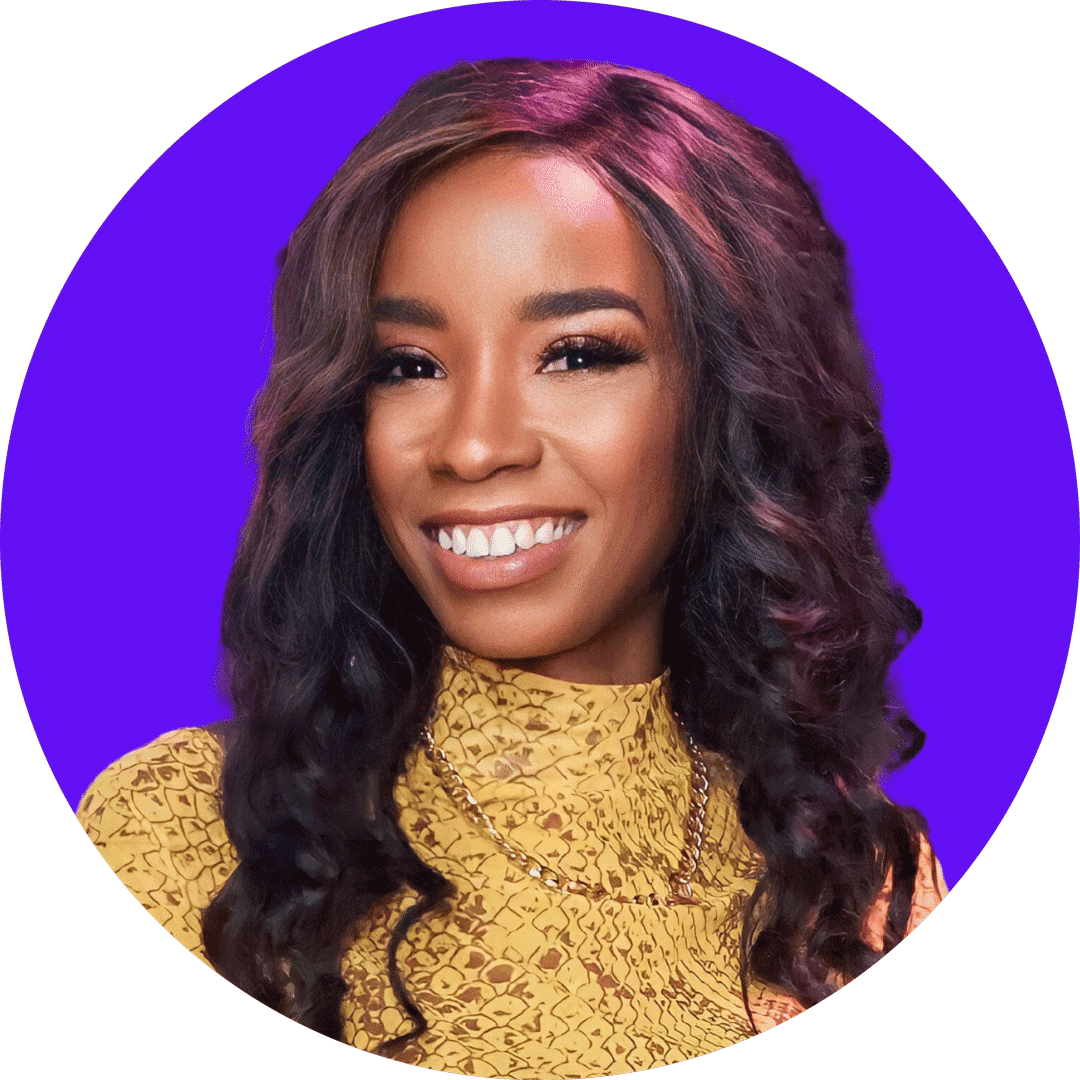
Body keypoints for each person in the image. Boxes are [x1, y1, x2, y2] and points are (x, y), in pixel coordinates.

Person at [77, 58, 945, 1077]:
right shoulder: (189, 837)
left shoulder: (858, 881)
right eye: (410, 366)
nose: (473, 446)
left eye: (577, 354)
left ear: (730, 400)